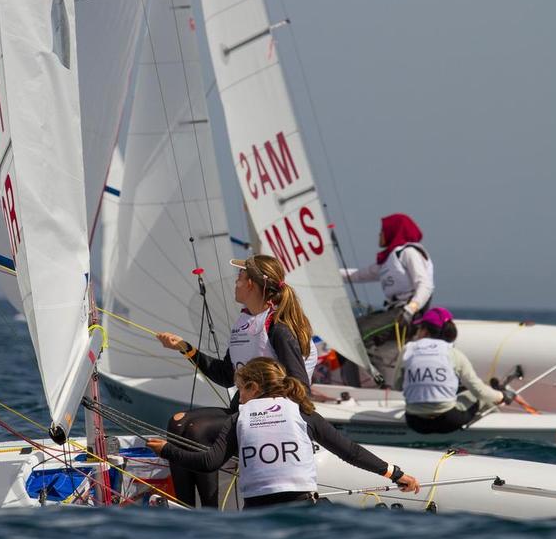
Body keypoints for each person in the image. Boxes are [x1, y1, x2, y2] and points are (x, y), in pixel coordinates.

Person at [146, 358, 421, 509]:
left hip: (257, 512)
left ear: (254, 388)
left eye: (241, 389)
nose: (239, 397)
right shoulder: (302, 413)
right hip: (302, 509)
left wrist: (166, 450)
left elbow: (209, 462)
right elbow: (350, 452)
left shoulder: (239, 418)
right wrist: (396, 474)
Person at [155, 254, 317, 507]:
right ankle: (184, 508)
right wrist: (185, 348)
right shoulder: (244, 323)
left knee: (196, 431)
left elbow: (301, 385)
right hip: (239, 409)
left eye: (239, 278)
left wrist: (269, 404)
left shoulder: (278, 329)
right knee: (177, 423)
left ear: (251, 284)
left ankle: (209, 513)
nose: (236, 284)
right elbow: (225, 375)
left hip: (268, 418)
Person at [340, 213, 434, 385]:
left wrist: (410, 309)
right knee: (348, 330)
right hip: (394, 311)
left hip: (407, 315)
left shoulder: (409, 252)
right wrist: (325, 273)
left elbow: (426, 285)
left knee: (360, 333)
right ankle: (353, 385)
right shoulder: (389, 259)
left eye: (382, 231)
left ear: (393, 231)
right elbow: (358, 275)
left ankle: (382, 384)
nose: (379, 235)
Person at [397, 307, 510, 434]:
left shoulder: (407, 350)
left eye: (419, 328)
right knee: (478, 395)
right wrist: (502, 396)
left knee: (465, 392)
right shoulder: (454, 353)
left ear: (425, 331)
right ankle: (498, 428)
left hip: (415, 422)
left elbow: (397, 386)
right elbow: (479, 391)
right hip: (448, 421)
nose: (417, 332)